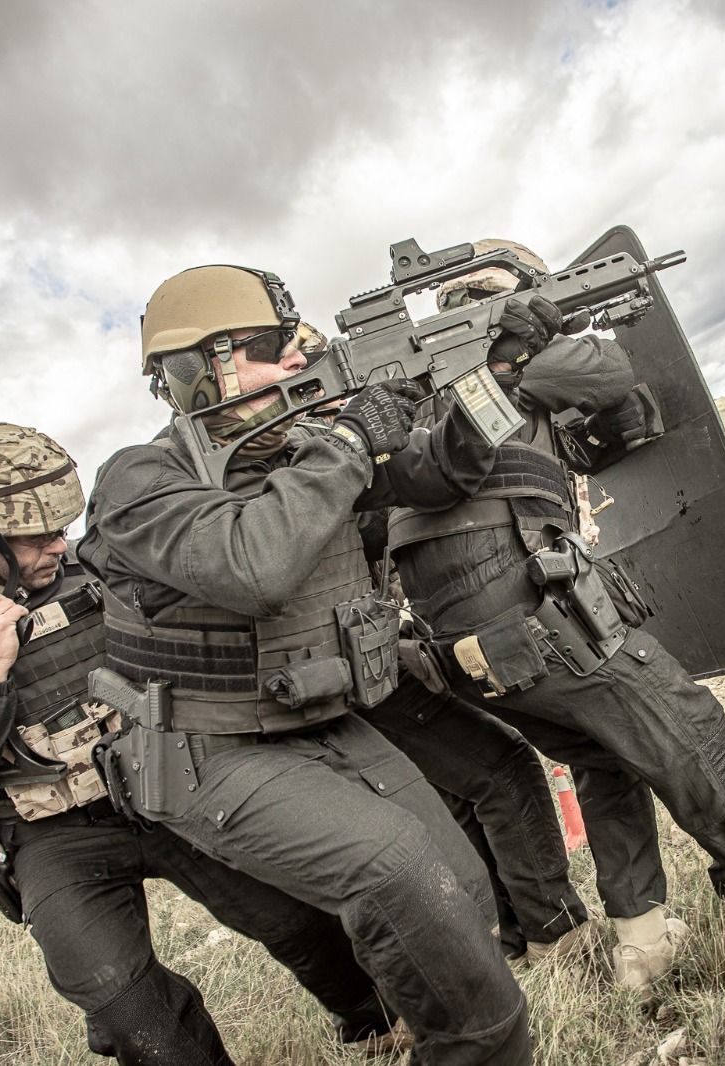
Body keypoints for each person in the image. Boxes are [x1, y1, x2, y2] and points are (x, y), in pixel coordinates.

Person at [77, 265, 531, 1064]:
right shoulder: (138, 481)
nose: (294, 360)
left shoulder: (295, 452)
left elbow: (441, 472)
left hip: (316, 719)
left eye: (293, 344)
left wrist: (495, 380)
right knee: (396, 875)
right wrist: (349, 439)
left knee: (458, 892)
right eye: (266, 348)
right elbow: (253, 564)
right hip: (207, 752)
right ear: (198, 370)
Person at [0, 422, 397, 1065]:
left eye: (63, 526)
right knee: (116, 995)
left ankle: (375, 1024)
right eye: (37, 535)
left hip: (170, 779)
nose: (61, 544)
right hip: (55, 835)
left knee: (292, 916)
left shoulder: (99, 568)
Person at [388, 240, 725, 991]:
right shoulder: (491, 377)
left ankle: (640, 942)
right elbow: (604, 367)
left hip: (476, 651)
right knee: (688, 723)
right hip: (537, 622)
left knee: (605, 761)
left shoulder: (419, 401)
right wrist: (524, 345)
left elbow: (613, 409)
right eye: (510, 295)